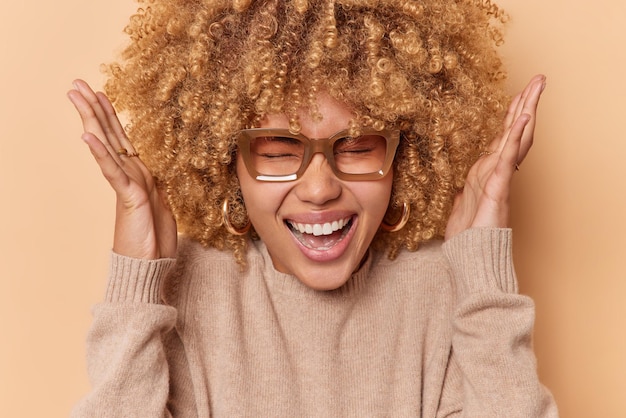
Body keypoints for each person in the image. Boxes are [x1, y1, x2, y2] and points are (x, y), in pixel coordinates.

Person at [68, 0, 558, 416]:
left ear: (403, 155)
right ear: (226, 161)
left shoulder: (446, 295)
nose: (319, 188)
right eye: (278, 150)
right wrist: (135, 287)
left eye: (357, 146)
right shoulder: (186, 294)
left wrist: (483, 279)